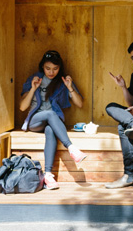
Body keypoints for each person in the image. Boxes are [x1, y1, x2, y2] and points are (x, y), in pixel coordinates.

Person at [20, 50, 87, 190]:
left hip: (52, 122)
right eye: (48, 68)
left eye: (55, 69)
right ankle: (71, 148)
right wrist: (33, 89)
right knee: (50, 114)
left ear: (60, 68)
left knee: (50, 130)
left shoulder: (62, 82)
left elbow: (80, 104)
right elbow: (22, 107)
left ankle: (48, 175)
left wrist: (69, 87)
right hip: (35, 120)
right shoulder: (35, 79)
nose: (51, 72)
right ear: (42, 67)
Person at [104, 37, 133, 188]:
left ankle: (129, 175)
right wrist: (123, 87)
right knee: (110, 107)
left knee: (122, 127)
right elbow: (131, 103)